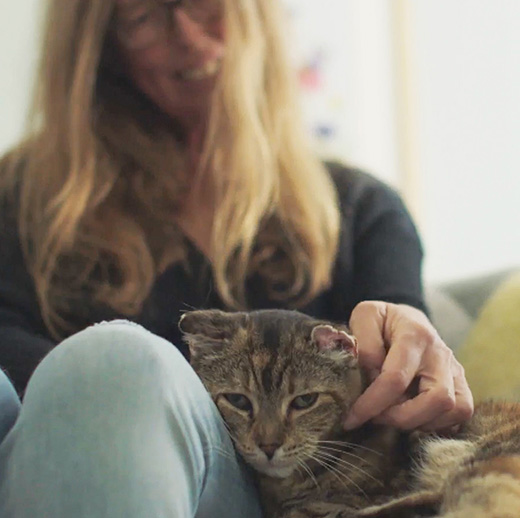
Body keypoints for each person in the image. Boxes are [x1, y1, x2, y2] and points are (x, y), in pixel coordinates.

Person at [0, 0, 473, 516]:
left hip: (286, 498)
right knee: (112, 364)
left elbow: (399, 395)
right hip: (53, 464)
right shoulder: (21, 202)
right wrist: (135, 388)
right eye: (143, 17)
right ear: (101, 49)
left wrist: (413, 348)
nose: (186, 35)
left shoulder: (362, 210)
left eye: (203, 4)